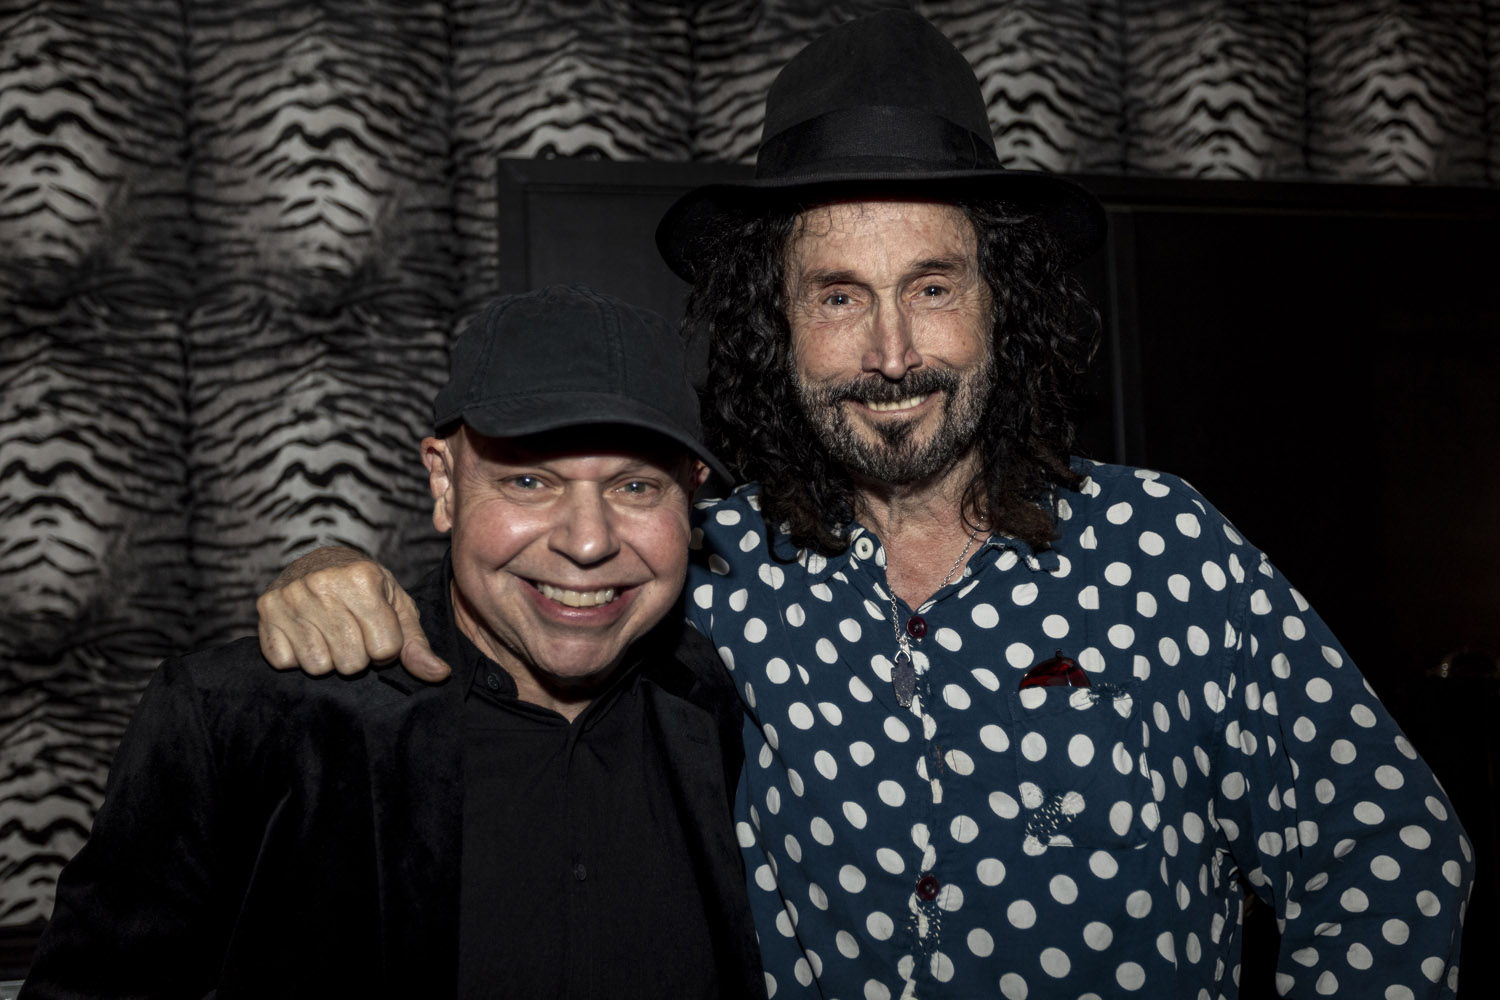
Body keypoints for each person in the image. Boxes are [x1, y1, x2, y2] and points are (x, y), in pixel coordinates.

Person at [255, 11, 1475, 1000]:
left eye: (932, 286)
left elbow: (1387, 849)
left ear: (1001, 303)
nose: (892, 353)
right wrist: (328, 564)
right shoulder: (706, 570)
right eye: (838, 296)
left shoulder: (1163, 547)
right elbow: (523, 609)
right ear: (775, 324)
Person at [23, 285, 764, 999]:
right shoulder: (246, 719)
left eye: (636, 487)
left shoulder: (730, 700)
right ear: (444, 484)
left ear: (691, 493)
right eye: (529, 483)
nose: (588, 541)